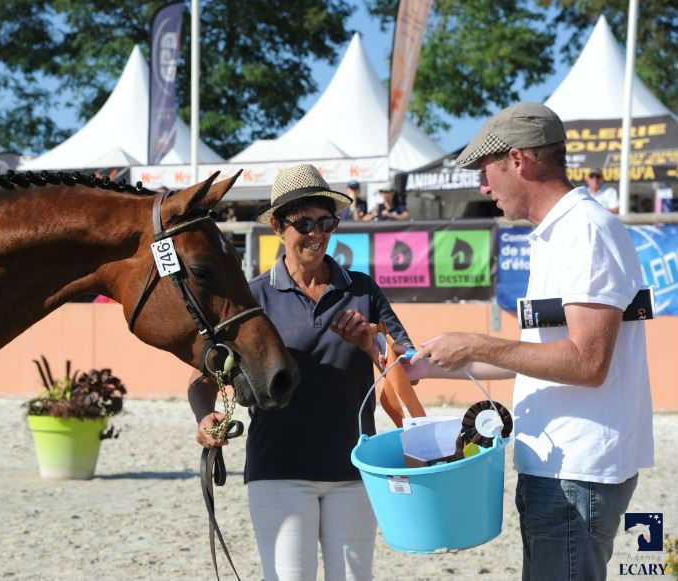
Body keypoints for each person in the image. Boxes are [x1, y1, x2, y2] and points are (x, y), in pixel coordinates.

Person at [405, 102, 653, 581]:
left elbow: (586, 363)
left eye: (486, 170)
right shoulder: (559, 234)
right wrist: (425, 366)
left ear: (518, 161)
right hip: (561, 471)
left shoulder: (585, 232)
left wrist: (477, 344)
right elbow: (536, 359)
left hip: (577, 474)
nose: (483, 186)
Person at [188, 163, 412, 581]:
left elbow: (408, 367)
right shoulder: (251, 297)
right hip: (279, 471)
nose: (317, 234)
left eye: (326, 222)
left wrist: (370, 344)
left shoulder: (362, 289)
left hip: (356, 469)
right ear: (277, 225)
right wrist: (205, 417)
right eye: (304, 223)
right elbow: (203, 379)